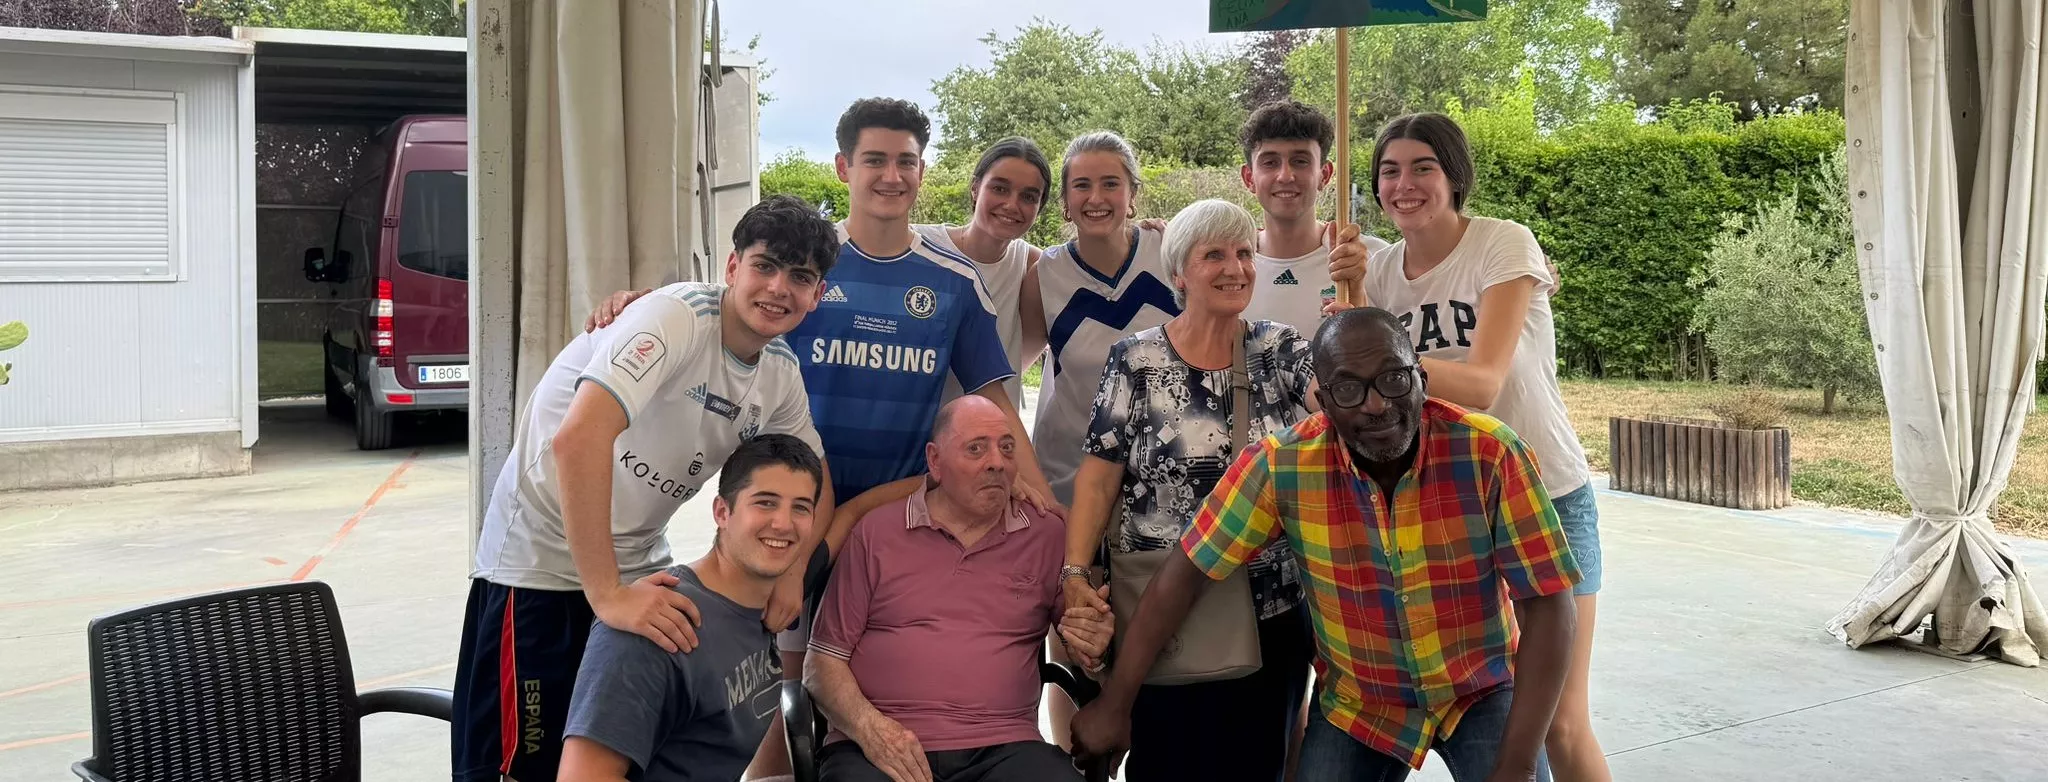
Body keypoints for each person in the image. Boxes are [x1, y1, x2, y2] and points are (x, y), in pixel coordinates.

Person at [1070, 307, 1583, 782]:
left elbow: (1550, 605)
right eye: (1349, 389)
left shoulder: (1490, 453)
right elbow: (1184, 572)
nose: (1377, 403)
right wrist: (1116, 704)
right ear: (1322, 399)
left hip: (1479, 688)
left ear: (1422, 379)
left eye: (1393, 378)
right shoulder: (1281, 465)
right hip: (1360, 703)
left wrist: (1515, 770)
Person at [454, 196, 840, 782]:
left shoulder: (778, 372)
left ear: (816, 296)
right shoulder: (675, 317)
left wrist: (791, 573)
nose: (779, 288)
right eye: (765, 266)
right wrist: (607, 594)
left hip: (637, 564)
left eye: (801, 277)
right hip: (540, 566)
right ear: (732, 268)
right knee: (520, 769)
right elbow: (577, 440)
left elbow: (816, 479)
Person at [1361, 112, 1610, 781]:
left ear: (1455, 177)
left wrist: (1371, 353)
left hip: (1547, 495)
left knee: (1558, 718)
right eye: (1389, 170)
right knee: (1489, 713)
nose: (1403, 184)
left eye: (1422, 168)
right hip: (1452, 510)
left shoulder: (1504, 244)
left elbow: (1482, 382)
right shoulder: (1381, 272)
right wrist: (1355, 310)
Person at [1059, 199, 1322, 782]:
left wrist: (1349, 325)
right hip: (1160, 604)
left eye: (1244, 253)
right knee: (1166, 760)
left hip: (1268, 603)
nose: (1236, 268)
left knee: (1261, 762)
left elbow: (1331, 401)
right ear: (1179, 274)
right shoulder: (1136, 358)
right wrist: (1076, 575)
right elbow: (1100, 474)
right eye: (1214, 255)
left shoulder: (1279, 348)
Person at [804, 396, 1115, 782]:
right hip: (879, 747)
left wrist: (1093, 645)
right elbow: (821, 663)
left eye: (1006, 448)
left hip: (1006, 747)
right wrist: (872, 731)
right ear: (935, 461)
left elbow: (1082, 640)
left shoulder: (1047, 535)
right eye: (975, 448)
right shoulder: (876, 533)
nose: (997, 462)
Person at [558, 434, 825, 782]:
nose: (783, 523)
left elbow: (854, 514)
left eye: (800, 508)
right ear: (722, 512)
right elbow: (583, 777)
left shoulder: (759, 608)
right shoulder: (659, 623)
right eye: (765, 502)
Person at [913, 137, 1054, 407]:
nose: (1012, 205)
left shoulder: (1033, 266)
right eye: (1000, 188)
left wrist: (1146, 235)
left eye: (1028, 196)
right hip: (915, 432)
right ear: (976, 188)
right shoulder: (919, 245)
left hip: (989, 434)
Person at [1237, 99, 1390, 334]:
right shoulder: (1230, 270)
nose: (1285, 176)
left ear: (1325, 174)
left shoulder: (1374, 259)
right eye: (1270, 162)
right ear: (1249, 178)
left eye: (1300, 161)